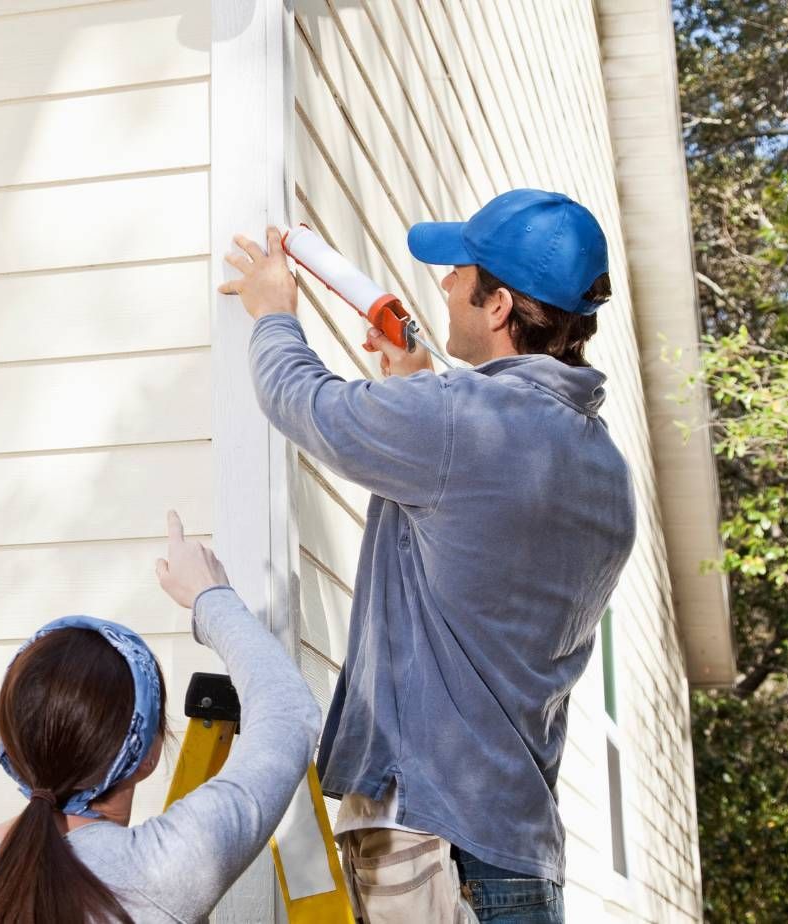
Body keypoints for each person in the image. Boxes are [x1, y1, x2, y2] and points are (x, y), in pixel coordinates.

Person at [218, 189, 638, 922]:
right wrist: (413, 383)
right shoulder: (606, 472)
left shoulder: (456, 420)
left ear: (499, 306)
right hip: (519, 857)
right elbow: (478, 547)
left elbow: (299, 399)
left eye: (459, 272)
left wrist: (273, 309)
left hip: (435, 844)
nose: (443, 283)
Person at [0, 510, 320, 924]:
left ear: (13, 744)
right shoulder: (159, 871)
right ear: (147, 752)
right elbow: (286, 713)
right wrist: (209, 595)